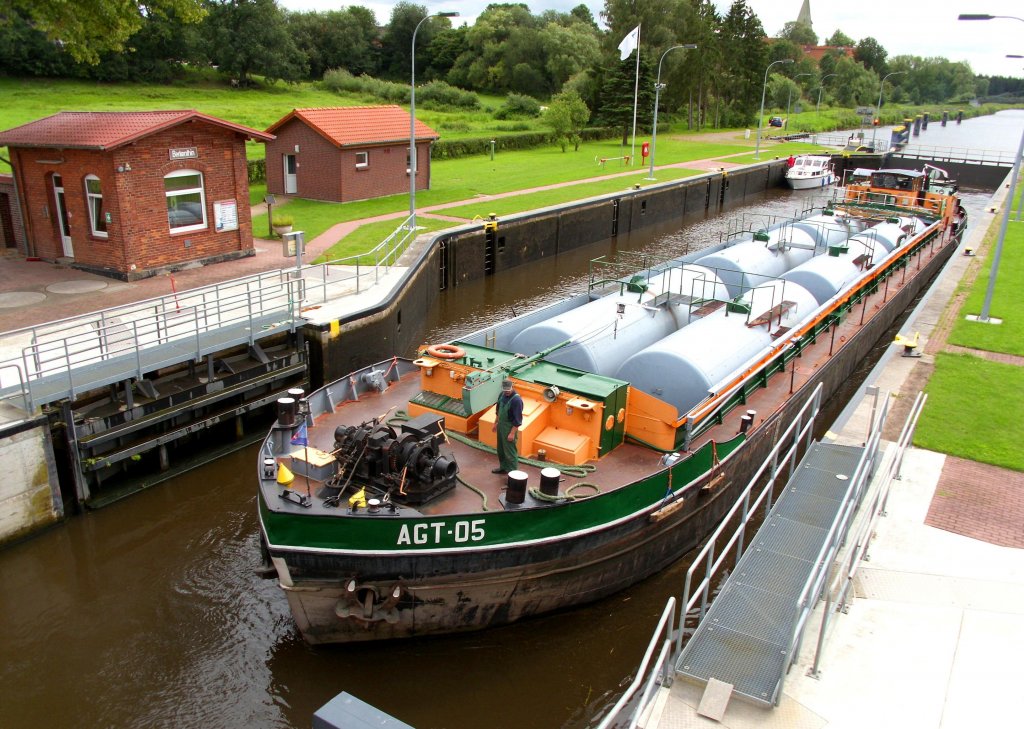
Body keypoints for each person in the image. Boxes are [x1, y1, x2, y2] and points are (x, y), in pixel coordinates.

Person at [491, 379, 523, 474]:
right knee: (500, 449)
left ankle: (514, 474)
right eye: (505, 390)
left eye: (508, 390)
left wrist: (512, 433)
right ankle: (503, 467)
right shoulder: (502, 395)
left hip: (509, 428)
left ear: (512, 387)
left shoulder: (517, 400)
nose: (507, 392)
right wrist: (495, 423)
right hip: (501, 426)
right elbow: (498, 411)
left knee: (510, 452)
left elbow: (518, 421)